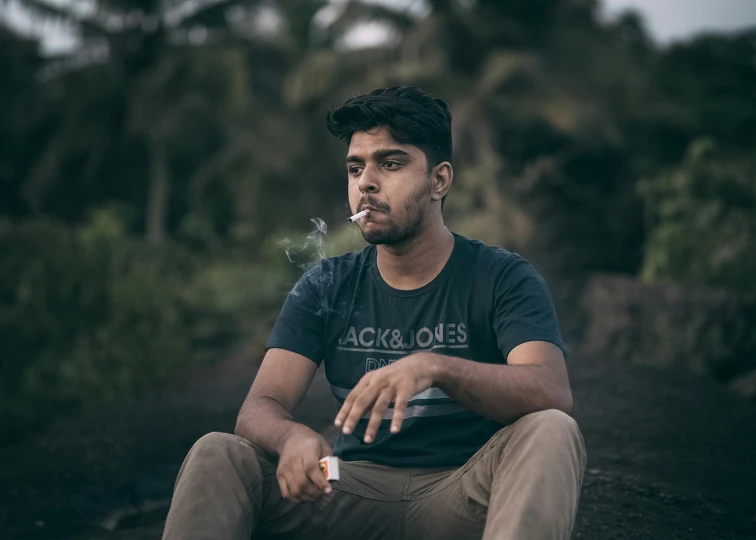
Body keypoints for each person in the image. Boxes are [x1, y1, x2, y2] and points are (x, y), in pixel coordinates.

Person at [162, 86, 586, 540]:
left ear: (439, 181)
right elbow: (258, 407)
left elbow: (550, 391)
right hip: (345, 488)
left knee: (551, 429)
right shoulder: (326, 284)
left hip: (463, 493)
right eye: (355, 167)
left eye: (390, 163)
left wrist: (436, 366)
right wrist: (291, 438)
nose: (366, 182)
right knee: (219, 452)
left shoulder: (502, 276)